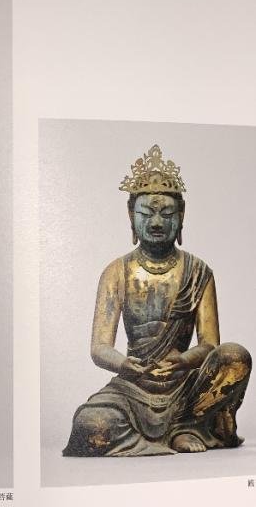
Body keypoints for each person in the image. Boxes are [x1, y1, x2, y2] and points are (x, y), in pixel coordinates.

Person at [63, 145, 251, 457]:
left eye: (166, 214)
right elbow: (99, 348)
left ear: (182, 216)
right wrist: (125, 365)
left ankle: (187, 426)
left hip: (184, 386)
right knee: (90, 424)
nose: (156, 222)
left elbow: (210, 344)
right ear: (130, 216)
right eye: (146, 213)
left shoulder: (198, 271)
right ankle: (162, 437)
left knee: (235, 356)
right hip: (134, 386)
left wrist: (185, 360)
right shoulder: (116, 272)